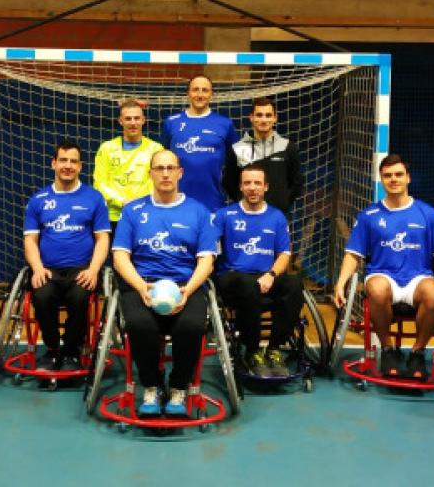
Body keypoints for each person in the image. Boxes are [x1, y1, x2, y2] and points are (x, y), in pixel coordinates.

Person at [332, 154, 434, 380]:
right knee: (377, 289)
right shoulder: (369, 215)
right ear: (381, 179)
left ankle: (418, 352)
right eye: (387, 175)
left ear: (408, 178)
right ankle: (389, 350)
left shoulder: (427, 213)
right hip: (382, 274)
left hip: (418, 278)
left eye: (398, 174)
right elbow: (353, 254)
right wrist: (341, 284)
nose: (393, 179)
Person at [112, 150, 218, 415]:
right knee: (139, 324)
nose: (166, 173)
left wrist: (187, 291)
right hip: (143, 283)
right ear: (150, 174)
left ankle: (178, 388)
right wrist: (139, 286)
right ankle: (152, 386)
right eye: (159, 168)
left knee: (193, 325)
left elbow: (206, 260)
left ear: (180, 172)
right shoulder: (133, 211)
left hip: (185, 284)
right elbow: (120, 257)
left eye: (171, 168)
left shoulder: (198, 211)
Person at [24, 140, 111, 372]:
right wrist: (37, 268)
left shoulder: (94, 198)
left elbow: (103, 239)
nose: (68, 165)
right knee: (41, 296)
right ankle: (52, 351)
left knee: (80, 298)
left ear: (81, 166)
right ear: (54, 163)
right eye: (63, 160)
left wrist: (93, 270)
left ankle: (72, 352)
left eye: (73, 161)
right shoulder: (38, 199)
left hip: (81, 268)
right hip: (48, 268)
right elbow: (30, 240)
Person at [213, 165, 302, 378]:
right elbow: (209, 249)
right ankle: (252, 350)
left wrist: (271, 275)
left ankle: (274, 349)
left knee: (294, 284)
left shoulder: (277, 217)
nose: (252, 188)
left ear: (266, 187)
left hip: (265, 276)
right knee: (247, 285)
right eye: (247, 183)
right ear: (241, 187)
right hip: (233, 278)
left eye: (257, 183)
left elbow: (283, 254)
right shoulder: (225, 215)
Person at [160, 75, 237, 212]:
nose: (200, 94)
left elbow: (234, 164)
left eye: (205, 90)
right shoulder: (171, 123)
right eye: (195, 89)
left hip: (213, 204)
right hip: (175, 204)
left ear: (211, 94)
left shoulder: (225, 124)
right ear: (188, 93)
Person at [93, 99, 164, 235]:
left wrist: (139, 203)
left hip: (145, 215)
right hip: (112, 217)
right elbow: (99, 184)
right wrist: (122, 201)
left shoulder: (155, 149)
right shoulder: (107, 148)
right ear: (120, 121)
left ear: (143, 120)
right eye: (128, 119)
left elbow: (158, 182)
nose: (133, 123)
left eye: (137, 118)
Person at [224, 97, 302, 219]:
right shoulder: (237, 149)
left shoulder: (288, 147)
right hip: (245, 217)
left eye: (268, 115)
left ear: (275, 118)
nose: (264, 120)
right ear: (251, 117)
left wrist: (282, 203)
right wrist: (245, 202)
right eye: (259, 115)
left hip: (278, 217)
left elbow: (296, 183)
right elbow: (229, 183)